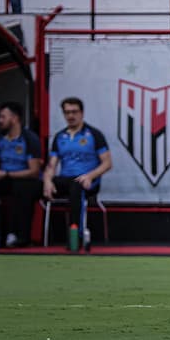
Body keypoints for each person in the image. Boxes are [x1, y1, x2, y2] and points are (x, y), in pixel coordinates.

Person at [42, 97, 112, 243]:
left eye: (74, 112)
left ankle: (75, 235)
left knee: (76, 185)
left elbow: (107, 163)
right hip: (65, 179)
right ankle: (19, 237)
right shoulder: (60, 137)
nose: (71, 116)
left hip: (87, 181)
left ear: (81, 113)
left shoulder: (94, 134)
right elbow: (51, 165)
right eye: (67, 112)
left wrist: (90, 176)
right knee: (27, 186)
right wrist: (47, 181)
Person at [0, 102, 43, 248]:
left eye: (3, 117)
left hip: (27, 180)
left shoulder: (29, 139)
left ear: (14, 118)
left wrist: (6, 174)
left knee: (22, 189)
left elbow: (34, 172)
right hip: (4, 178)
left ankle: (21, 237)